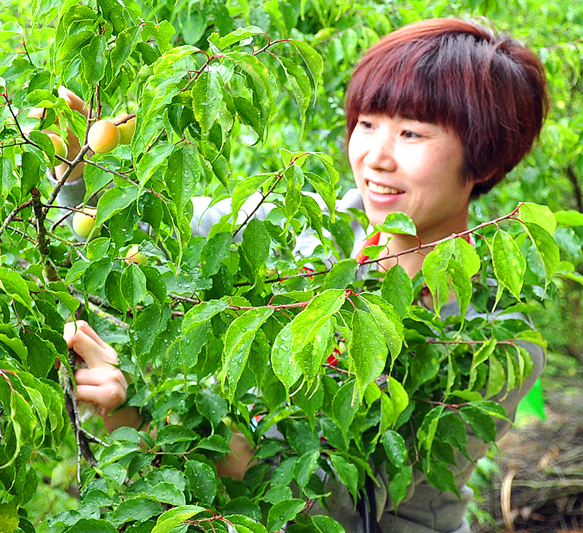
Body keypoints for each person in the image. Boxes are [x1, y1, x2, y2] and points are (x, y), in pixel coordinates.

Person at [59, 18, 549, 533]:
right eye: (367, 124)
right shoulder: (304, 225)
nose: (375, 157)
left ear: (482, 158)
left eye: (411, 133)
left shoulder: (492, 343)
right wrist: (77, 169)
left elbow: (329, 509)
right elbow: (139, 229)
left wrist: (141, 417)